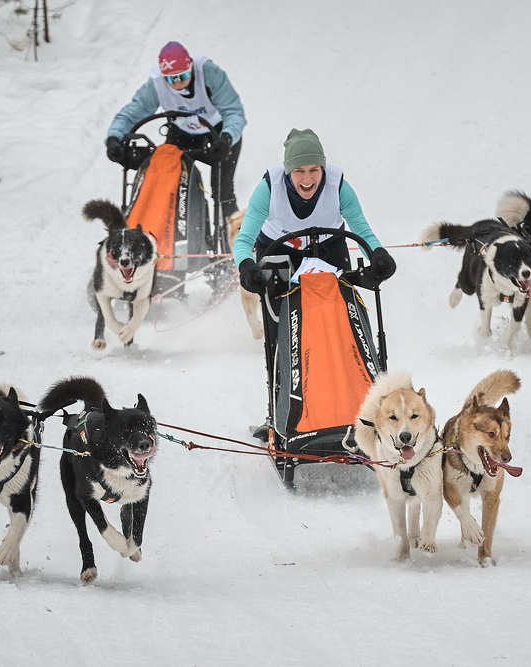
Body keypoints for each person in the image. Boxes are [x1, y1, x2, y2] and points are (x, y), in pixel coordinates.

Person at [232, 128, 396, 439]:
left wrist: (378, 254)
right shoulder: (269, 187)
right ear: (288, 171)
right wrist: (247, 267)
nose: (307, 179)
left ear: (322, 167)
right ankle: (280, 413)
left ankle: (352, 408)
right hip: (279, 251)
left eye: (314, 170)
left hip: (329, 247)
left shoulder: (338, 184)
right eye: (299, 171)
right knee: (281, 335)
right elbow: (244, 240)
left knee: (339, 327)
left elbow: (362, 230)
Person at [105, 41, 246, 219]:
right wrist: (114, 138)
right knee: (166, 181)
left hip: (218, 131)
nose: (178, 83)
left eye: (183, 76)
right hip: (182, 131)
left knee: (222, 190)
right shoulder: (156, 84)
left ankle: (234, 234)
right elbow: (130, 115)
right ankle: (169, 229)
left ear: (191, 67)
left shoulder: (209, 72)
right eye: (171, 79)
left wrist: (227, 137)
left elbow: (234, 112)